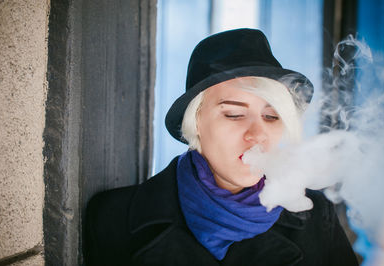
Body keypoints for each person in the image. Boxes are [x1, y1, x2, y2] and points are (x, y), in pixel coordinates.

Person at [85, 28, 358, 266]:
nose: (257, 134)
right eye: (234, 114)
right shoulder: (115, 216)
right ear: (196, 122)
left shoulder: (314, 214)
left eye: (272, 116)